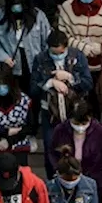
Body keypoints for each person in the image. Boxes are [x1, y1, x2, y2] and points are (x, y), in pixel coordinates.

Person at [31, 30, 94, 164]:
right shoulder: (40, 59)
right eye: (53, 53)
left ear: (66, 48)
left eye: (60, 53)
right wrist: (50, 83)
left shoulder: (78, 56)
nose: (57, 56)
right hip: (50, 111)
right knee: (50, 147)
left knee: (76, 148)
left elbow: (88, 83)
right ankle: (53, 178)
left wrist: (70, 78)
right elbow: (33, 88)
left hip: (74, 109)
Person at [0, 0, 53, 89]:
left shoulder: (38, 16)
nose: (16, 8)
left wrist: (44, 63)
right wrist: (3, 57)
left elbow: (47, 41)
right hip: (11, 66)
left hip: (35, 65)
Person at [49, 101, 102, 203]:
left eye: (84, 123)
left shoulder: (100, 132)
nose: (80, 126)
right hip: (65, 182)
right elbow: (51, 158)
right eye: (76, 123)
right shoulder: (60, 131)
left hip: (94, 184)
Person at [0, 63, 35, 163]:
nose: (1, 86)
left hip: (18, 148)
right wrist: (4, 133)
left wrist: (9, 141)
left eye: (3, 83)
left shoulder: (24, 101)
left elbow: (30, 126)